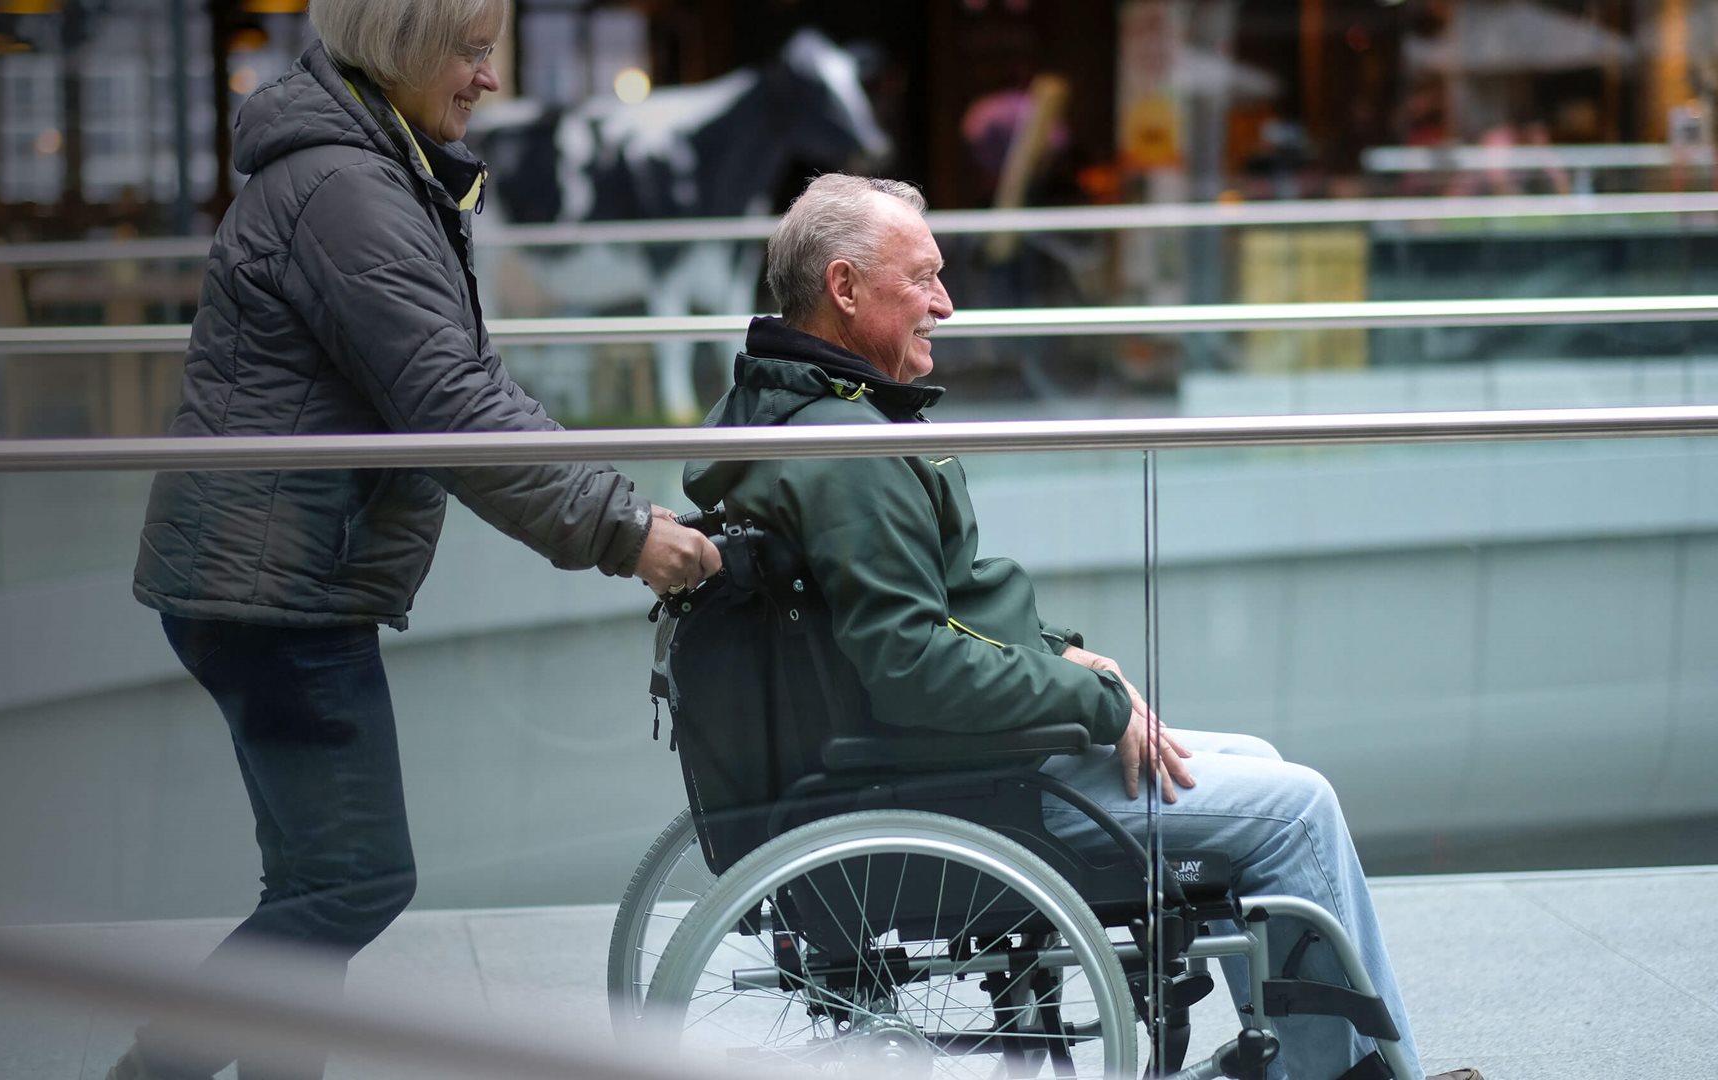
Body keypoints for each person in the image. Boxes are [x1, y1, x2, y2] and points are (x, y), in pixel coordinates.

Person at [681, 173, 1480, 1080]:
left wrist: (1056, 653)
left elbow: (921, 628)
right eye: (923, 278)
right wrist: (1093, 697)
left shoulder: (788, 418)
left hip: (926, 763)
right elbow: (913, 661)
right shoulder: (847, 454)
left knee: (1253, 759)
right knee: (1297, 808)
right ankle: (1345, 1072)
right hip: (964, 786)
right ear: (846, 287)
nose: (945, 303)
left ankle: (1313, 1056)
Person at [114, 1, 718, 1077]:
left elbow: (463, 387)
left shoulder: (368, 163)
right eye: (473, 54)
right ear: (400, 50)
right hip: (274, 592)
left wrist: (621, 509)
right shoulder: (348, 188)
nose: (488, 82)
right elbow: (451, 402)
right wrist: (623, 529)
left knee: (310, 886)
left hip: (269, 576)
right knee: (356, 881)